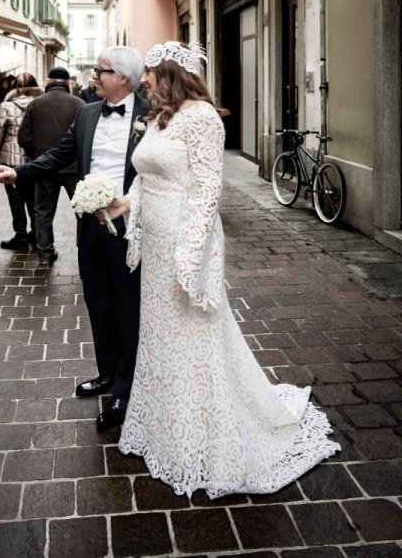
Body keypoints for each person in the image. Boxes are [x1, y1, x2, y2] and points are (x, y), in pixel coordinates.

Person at [101, 41, 341, 499]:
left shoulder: (204, 118)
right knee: (161, 337)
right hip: (152, 243)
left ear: (169, 72)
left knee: (193, 336)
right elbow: (147, 177)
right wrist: (123, 203)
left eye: (150, 72)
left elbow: (208, 191)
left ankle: (206, 440)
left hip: (182, 242)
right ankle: (164, 428)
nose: (143, 81)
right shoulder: (160, 118)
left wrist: (189, 259)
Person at [0, 47, 148, 431]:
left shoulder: (151, 115)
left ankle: (125, 387)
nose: (94, 76)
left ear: (122, 78)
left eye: (101, 70)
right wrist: (18, 172)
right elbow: (59, 154)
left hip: (131, 223)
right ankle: (107, 371)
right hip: (90, 224)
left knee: (128, 305)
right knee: (97, 298)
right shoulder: (87, 112)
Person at [18, 67, 83, 267]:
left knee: (43, 212)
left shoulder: (35, 104)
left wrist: (38, 155)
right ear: (68, 83)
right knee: (83, 212)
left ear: (48, 81)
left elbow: (23, 138)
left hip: (44, 167)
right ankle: (86, 253)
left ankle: (45, 254)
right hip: (74, 167)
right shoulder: (80, 105)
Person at [0, 72, 43, 250]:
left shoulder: (6, 106)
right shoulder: (40, 105)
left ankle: (20, 236)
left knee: (16, 199)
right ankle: (36, 235)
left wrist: (1, 146)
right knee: (33, 199)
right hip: (33, 160)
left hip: (10, 159)